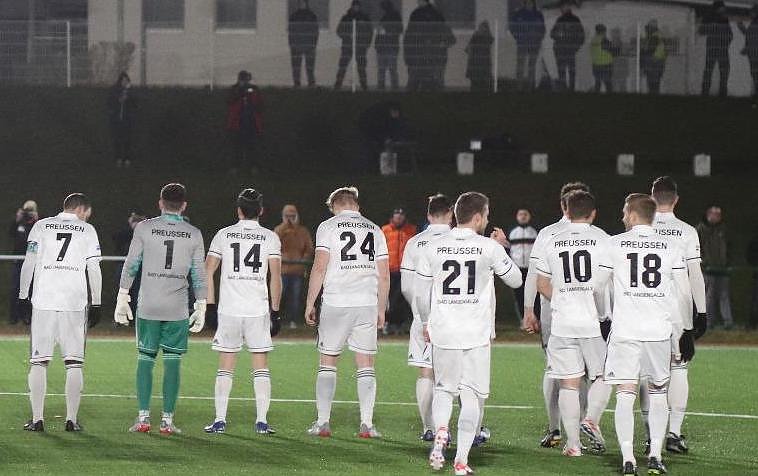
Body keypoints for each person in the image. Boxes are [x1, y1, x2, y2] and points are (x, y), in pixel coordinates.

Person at [415, 192, 522, 475]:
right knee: (471, 395)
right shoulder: (488, 247)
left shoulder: (434, 247)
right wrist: (501, 248)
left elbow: (421, 293)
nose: (487, 219)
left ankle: (440, 430)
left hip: (444, 329)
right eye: (486, 215)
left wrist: (427, 322)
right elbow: (515, 279)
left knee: (444, 389)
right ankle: (461, 460)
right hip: (475, 332)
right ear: (477, 217)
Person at [603, 194, 693, 476]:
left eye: (623, 212)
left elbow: (597, 287)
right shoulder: (672, 245)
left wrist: (604, 317)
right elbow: (683, 294)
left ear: (631, 214)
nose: (622, 217)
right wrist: (683, 332)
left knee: (626, 395)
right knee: (657, 394)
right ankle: (655, 454)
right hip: (658, 331)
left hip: (626, 330)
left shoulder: (613, 243)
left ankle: (628, 458)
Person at [115, 183, 208, 435]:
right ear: (184, 205)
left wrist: (122, 295)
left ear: (160, 202)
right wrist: (201, 304)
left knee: (145, 359)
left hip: (148, 305)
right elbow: (198, 273)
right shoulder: (194, 233)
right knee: (173, 361)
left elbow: (131, 263)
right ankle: (167, 421)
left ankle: (144, 418)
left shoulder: (145, 228)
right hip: (177, 306)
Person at [304, 187, 390, 438]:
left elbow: (320, 267)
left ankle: (322, 423)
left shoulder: (328, 227)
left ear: (334, 206)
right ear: (356, 204)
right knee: (366, 365)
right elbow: (383, 274)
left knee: (328, 361)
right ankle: (367, 424)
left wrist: (311, 302)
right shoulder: (375, 229)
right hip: (366, 303)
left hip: (336, 302)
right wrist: (382, 308)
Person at [533, 190, 613, 457]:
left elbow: (541, 283)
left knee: (568, 383)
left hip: (562, 321)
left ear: (567, 211)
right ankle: (591, 418)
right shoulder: (603, 239)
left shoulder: (552, 240)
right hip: (591, 320)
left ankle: (573, 444)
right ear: (593, 213)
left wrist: (565, 299)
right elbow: (603, 287)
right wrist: (603, 316)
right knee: (604, 374)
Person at [19, 193, 102, 432]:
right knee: (74, 363)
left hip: (44, 300)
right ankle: (71, 420)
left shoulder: (41, 226)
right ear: (81, 210)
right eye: (87, 213)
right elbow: (94, 267)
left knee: (39, 360)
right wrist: (96, 302)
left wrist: (23, 296)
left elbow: (29, 262)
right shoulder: (87, 230)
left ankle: (37, 420)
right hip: (74, 302)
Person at [203, 189, 283, 435]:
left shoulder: (223, 234)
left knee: (225, 365)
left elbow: (207, 272)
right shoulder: (270, 237)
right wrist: (276, 311)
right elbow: (276, 277)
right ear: (261, 211)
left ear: (238, 210)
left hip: (229, 310)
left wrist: (210, 307)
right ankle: (261, 421)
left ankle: (219, 420)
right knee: (261, 366)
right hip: (257, 309)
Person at [523, 182, 591, 449]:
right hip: (586, 312)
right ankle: (583, 428)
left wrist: (529, 309)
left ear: (563, 205)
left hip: (554, 310)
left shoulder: (548, 233)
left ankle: (555, 429)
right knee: (583, 372)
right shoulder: (597, 235)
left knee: (554, 368)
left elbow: (534, 273)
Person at [643, 176, 708, 455]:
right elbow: (695, 275)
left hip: (644, 308)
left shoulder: (641, 228)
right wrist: (701, 312)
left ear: (652, 197)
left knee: (649, 373)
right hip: (677, 309)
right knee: (678, 367)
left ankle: (650, 437)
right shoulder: (686, 231)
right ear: (676, 199)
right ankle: (674, 433)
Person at [400, 194, 452, 441]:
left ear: (429, 215)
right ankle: (466, 428)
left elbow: (406, 287)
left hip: (423, 316)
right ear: (451, 214)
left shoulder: (415, 242)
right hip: (456, 316)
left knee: (425, 371)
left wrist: (419, 313)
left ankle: (428, 427)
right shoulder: (461, 241)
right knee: (458, 374)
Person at [274, 204, 314, 328]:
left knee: (295, 298)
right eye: (287, 216)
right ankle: (276, 319)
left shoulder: (303, 231)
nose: (290, 218)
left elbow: (309, 248)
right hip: (283, 270)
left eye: (292, 216)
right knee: (279, 296)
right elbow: (273, 247)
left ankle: (293, 321)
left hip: (298, 271)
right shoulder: (278, 230)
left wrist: (303, 259)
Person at [405, 0, 456, 91]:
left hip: (428, 58)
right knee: (431, 84)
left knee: (420, 83)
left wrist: (443, 44)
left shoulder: (417, 18)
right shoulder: (438, 21)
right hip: (429, 58)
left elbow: (451, 39)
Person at [697, 205, 734, 329]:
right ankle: (708, 322)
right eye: (713, 214)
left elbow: (730, 248)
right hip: (707, 269)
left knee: (724, 296)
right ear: (708, 214)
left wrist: (728, 263)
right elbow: (697, 248)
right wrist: (704, 263)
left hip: (722, 270)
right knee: (709, 296)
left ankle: (728, 322)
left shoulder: (724, 230)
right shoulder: (700, 229)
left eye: (718, 214)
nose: (716, 217)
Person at [382, 208, 417, 334]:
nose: (399, 217)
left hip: (405, 270)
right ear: (392, 217)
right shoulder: (385, 230)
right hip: (389, 270)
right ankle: (389, 323)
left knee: (403, 299)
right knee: (390, 299)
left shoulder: (411, 230)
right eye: (397, 215)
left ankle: (401, 324)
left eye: (401, 215)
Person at [226, 71, 264, 173]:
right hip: (237, 122)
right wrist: (241, 92)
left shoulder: (254, 89)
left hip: (251, 122)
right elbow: (230, 101)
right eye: (243, 79)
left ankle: (253, 166)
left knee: (252, 146)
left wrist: (250, 93)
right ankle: (235, 166)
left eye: (246, 79)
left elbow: (259, 104)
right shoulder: (234, 89)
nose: (245, 81)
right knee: (236, 146)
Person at [112, 211, 146, 319]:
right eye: (135, 221)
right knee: (122, 292)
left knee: (138, 293)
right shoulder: (124, 233)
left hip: (140, 268)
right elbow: (116, 239)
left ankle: (136, 317)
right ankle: (120, 317)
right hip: (123, 266)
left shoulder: (146, 234)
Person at [9, 200, 38, 325]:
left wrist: (36, 220)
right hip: (18, 261)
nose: (28, 213)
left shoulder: (37, 225)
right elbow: (10, 234)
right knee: (16, 289)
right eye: (27, 210)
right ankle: (14, 317)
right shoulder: (19, 223)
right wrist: (17, 219)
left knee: (31, 289)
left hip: (32, 262)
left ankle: (28, 316)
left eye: (30, 210)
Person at [507, 208, 538, 322]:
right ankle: (523, 320)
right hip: (518, 269)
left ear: (529, 216)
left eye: (525, 214)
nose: (523, 216)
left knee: (534, 295)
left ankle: (535, 319)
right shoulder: (512, 232)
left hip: (531, 269)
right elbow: (508, 249)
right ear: (517, 217)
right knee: (519, 295)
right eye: (520, 214)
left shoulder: (534, 232)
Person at [334, 1, 373, 91]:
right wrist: (348, 35)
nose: (356, 8)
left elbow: (369, 32)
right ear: (352, 7)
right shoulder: (346, 18)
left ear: (359, 7)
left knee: (361, 67)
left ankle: (364, 86)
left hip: (360, 47)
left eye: (357, 6)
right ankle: (338, 84)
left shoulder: (365, 18)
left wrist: (366, 44)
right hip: (347, 47)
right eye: (354, 6)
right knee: (342, 66)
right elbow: (339, 30)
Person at [699, 0, 732, 97]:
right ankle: (721, 92)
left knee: (710, 70)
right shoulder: (723, 19)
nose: (724, 9)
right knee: (723, 71)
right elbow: (730, 34)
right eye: (722, 8)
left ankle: (706, 92)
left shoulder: (709, 18)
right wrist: (726, 42)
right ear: (718, 8)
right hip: (720, 49)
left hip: (713, 48)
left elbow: (701, 31)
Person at [509, 0, 546, 87]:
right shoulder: (518, 14)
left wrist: (539, 38)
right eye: (528, 2)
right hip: (522, 43)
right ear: (525, 3)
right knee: (520, 65)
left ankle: (530, 86)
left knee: (532, 66)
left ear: (534, 3)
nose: (529, 4)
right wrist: (518, 37)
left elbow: (542, 28)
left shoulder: (538, 14)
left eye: (531, 2)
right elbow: (512, 27)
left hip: (534, 44)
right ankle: (519, 86)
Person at [550, 0, 585, 92]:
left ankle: (569, 90)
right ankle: (565, 90)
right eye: (561, 7)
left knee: (570, 71)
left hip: (567, 50)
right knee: (564, 72)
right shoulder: (561, 20)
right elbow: (552, 34)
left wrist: (575, 47)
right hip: (562, 50)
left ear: (568, 7)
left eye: (564, 6)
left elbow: (581, 36)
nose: (562, 9)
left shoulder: (574, 20)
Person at [107, 72, 136, 167]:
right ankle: (118, 158)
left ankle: (127, 158)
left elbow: (135, 104)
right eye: (123, 80)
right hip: (118, 120)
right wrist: (119, 100)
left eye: (126, 80)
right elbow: (111, 103)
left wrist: (128, 97)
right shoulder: (115, 91)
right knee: (118, 140)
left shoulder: (131, 92)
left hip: (127, 120)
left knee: (127, 140)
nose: (124, 82)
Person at [288, 0, 320, 88]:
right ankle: (297, 83)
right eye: (300, 3)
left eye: (303, 3)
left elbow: (315, 31)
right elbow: (291, 31)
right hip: (296, 45)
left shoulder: (312, 16)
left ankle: (311, 83)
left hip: (309, 46)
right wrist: (292, 44)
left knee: (310, 67)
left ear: (306, 4)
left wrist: (313, 44)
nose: (302, 4)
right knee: (296, 67)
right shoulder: (294, 16)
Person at [375, 0, 403, 91]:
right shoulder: (386, 16)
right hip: (385, 47)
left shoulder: (393, 16)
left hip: (389, 47)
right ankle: (386, 87)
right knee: (384, 69)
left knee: (389, 69)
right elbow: (379, 33)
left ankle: (389, 87)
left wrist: (386, 31)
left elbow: (399, 29)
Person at [465, 21, 494, 92]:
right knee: (480, 83)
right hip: (480, 64)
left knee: (477, 84)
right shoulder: (485, 37)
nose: (480, 29)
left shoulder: (478, 36)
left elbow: (467, 49)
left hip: (477, 64)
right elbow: (468, 49)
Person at [641, 20, 667, 94]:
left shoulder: (654, 37)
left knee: (652, 88)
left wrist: (642, 50)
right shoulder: (659, 36)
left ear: (651, 28)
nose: (646, 30)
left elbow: (648, 52)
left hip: (653, 67)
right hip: (658, 66)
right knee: (655, 87)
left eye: (648, 28)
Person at [591, 24, 619, 93]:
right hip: (605, 66)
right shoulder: (604, 41)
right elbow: (614, 52)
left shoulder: (593, 40)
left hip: (595, 66)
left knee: (597, 84)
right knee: (608, 85)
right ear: (603, 31)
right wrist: (618, 47)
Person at [738, 5, 758, 104]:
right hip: (753, 53)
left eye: (752, 12)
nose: (750, 14)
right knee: (754, 74)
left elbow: (752, 38)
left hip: (754, 54)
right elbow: (750, 36)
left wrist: (747, 48)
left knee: (755, 73)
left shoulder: (755, 24)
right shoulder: (753, 23)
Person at [747, 232, 758, 329]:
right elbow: (750, 256)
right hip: (757, 276)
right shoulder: (755, 241)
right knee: (755, 301)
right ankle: (752, 324)